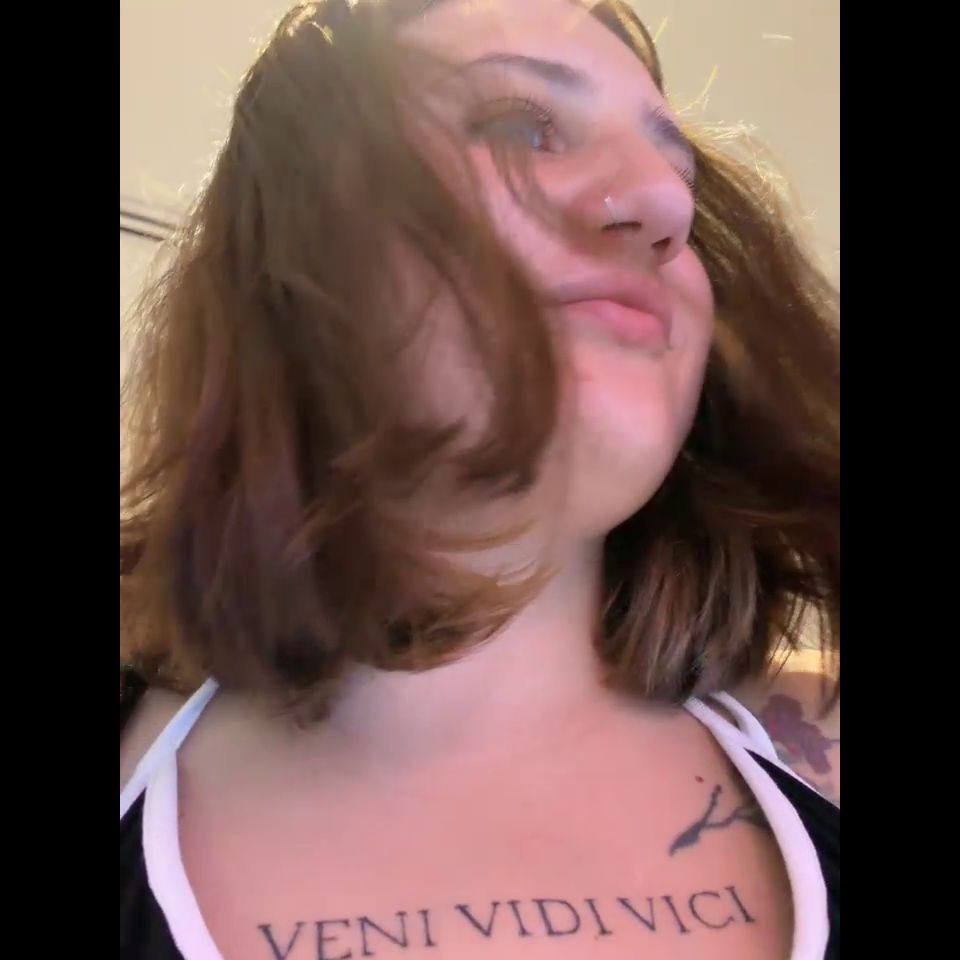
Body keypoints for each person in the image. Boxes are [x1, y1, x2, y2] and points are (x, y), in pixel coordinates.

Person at [119, 1, 840, 958]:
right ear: (286, 253)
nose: (665, 208)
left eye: (681, 177)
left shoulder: (820, 747)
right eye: (516, 125)